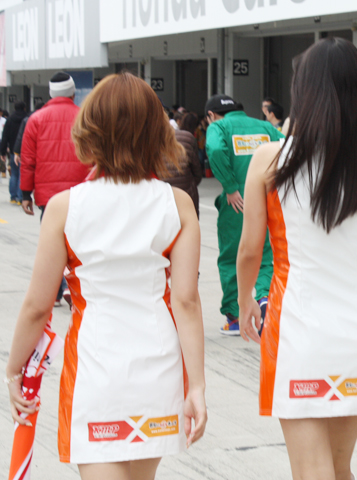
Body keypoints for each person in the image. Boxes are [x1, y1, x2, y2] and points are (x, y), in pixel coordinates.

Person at [5, 72, 207, 479]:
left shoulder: (64, 207)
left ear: (90, 130)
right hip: (159, 369)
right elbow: (185, 301)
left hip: (96, 369)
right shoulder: (178, 204)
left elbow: (37, 306)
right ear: (157, 132)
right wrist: (197, 386)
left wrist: (13, 368)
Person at [236, 37, 357, 480]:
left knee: (312, 470)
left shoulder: (270, 159)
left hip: (297, 330)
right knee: (339, 466)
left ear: (304, 91)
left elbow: (250, 249)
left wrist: (245, 300)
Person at [205, 94, 284, 335]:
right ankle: (264, 299)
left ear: (211, 115)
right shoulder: (265, 127)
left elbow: (215, 149)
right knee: (266, 255)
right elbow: (286, 147)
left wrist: (230, 186)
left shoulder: (219, 127)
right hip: (268, 197)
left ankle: (235, 316)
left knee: (232, 256)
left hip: (237, 201)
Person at [20, 72, 90, 307]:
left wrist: (25, 193)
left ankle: (56, 293)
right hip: (82, 192)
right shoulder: (85, 117)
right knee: (81, 243)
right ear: (72, 92)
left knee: (52, 245)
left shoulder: (36, 119)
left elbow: (28, 160)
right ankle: (75, 288)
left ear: (51, 94)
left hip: (48, 197)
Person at [160, 112, 203, 217]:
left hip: (161, 198)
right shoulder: (187, 137)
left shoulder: (146, 142)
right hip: (187, 193)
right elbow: (197, 172)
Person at [0, 101, 28, 204]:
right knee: (22, 173)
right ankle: (21, 197)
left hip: (13, 150)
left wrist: (2, 151)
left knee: (14, 174)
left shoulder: (10, 119)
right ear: (24, 108)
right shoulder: (27, 118)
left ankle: (13, 197)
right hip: (25, 150)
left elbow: (5, 136)